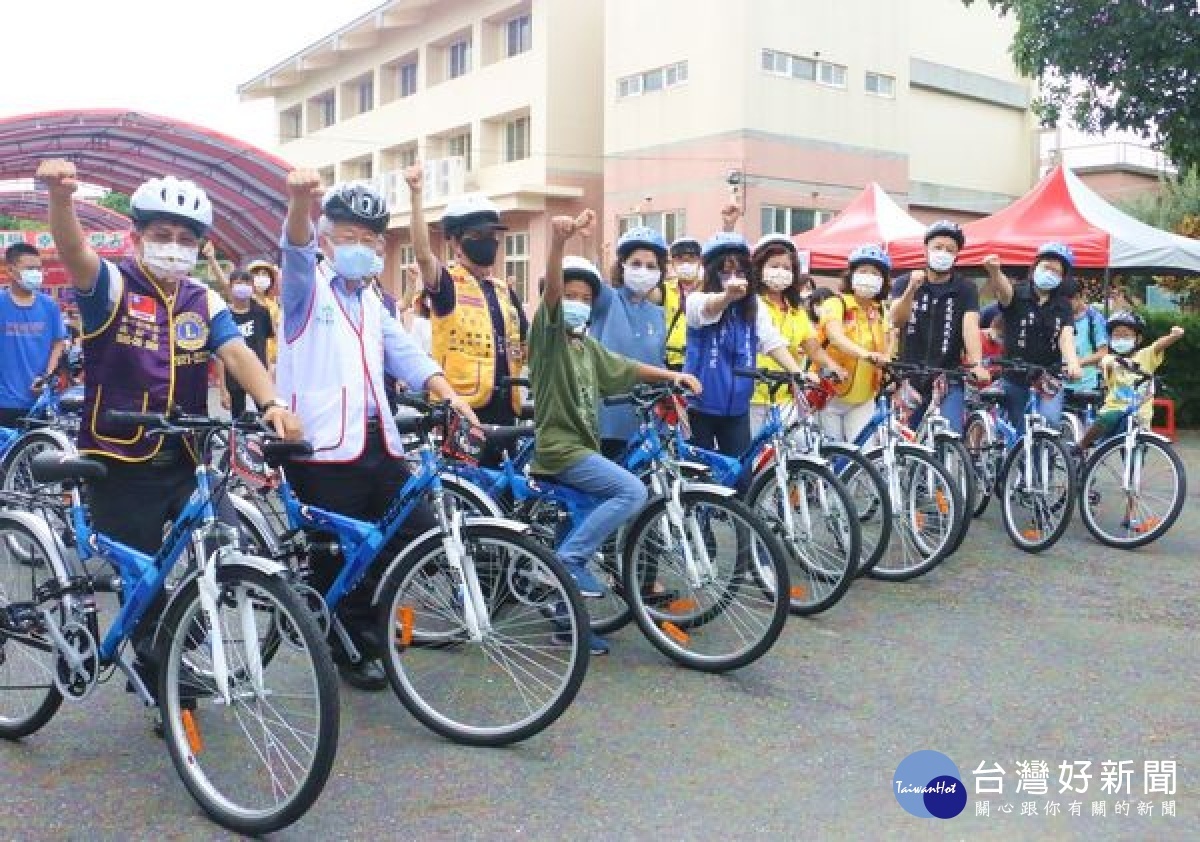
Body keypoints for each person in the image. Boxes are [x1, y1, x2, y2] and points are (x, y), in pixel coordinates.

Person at [35, 158, 300, 701]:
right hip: (119, 461)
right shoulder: (110, 284)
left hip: (185, 459)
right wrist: (61, 199)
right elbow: (73, 251)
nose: (173, 246)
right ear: (137, 237)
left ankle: (187, 625)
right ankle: (162, 679)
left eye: (184, 238)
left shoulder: (203, 300)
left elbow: (235, 351)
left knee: (226, 542)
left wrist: (272, 402)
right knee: (143, 581)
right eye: (162, 235)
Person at [277, 170, 478, 691]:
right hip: (322, 448)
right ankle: (346, 644)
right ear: (326, 240)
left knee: (411, 532)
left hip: (378, 442)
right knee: (338, 552)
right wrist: (300, 201)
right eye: (348, 238)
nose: (360, 249)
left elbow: (405, 352)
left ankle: (360, 622)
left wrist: (445, 390)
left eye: (369, 240)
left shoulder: (372, 300)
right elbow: (294, 249)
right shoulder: (306, 290)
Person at [531, 209, 700, 654]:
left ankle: (568, 616)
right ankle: (568, 563)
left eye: (586, 298)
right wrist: (558, 244)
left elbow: (628, 368)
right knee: (630, 493)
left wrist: (672, 378)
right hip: (560, 449)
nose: (578, 303)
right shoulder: (548, 341)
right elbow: (550, 295)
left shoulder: (587, 347)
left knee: (588, 519)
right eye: (570, 295)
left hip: (583, 451)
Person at [408, 166, 528, 426]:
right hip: (462, 411)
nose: (489, 242)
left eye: (492, 235)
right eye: (478, 235)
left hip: (506, 410)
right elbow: (423, 255)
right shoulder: (448, 284)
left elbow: (527, 346)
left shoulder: (504, 291)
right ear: (454, 241)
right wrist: (416, 196)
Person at [684, 232, 807, 458]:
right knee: (702, 477)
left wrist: (798, 372)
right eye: (726, 272)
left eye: (740, 272)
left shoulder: (753, 305)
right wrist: (727, 296)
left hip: (738, 409)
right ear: (712, 273)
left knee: (742, 479)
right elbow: (709, 308)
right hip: (700, 406)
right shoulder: (696, 299)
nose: (734, 278)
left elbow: (771, 341)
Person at [888, 219, 990, 433]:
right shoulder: (905, 281)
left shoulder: (966, 288)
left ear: (956, 255)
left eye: (950, 249)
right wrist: (911, 290)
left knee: (950, 433)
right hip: (908, 375)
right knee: (906, 438)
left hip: (948, 374)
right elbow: (896, 320)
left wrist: (977, 363)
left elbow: (970, 326)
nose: (943, 253)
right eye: (938, 247)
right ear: (926, 249)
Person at [983, 243, 1083, 433]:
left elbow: (1066, 335)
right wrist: (995, 272)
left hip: (1049, 376)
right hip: (1015, 375)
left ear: (1062, 278)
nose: (1050, 273)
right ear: (1035, 267)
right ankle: (1014, 461)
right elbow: (1004, 293)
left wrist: (1072, 362)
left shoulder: (1063, 305)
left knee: (1049, 423)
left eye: (1056, 271)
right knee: (1018, 431)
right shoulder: (1018, 293)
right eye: (1046, 267)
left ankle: (1043, 462)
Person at [748, 234, 844, 429]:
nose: (780, 272)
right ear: (759, 269)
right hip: (752, 396)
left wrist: (834, 366)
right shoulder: (750, 303)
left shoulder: (795, 309)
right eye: (774, 266)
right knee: (759, 457)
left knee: (798, 449)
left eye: (786, 268)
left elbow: (813, 348)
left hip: (787, 394)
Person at [591, 226, 669, 456]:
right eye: (636, 264)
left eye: (651, 266)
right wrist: (589, 241)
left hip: (646, 417)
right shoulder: (608, 300)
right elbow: (593, 282)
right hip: (608, 417)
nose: (643, 270)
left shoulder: (657, 313)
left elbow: (657, 361)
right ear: (622, 265)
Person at [817, 244, 893, 444]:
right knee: (832, 455)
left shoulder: (881, 312)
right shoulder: (835, 304)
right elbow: (835, 337)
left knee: (863, 455)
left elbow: (888, 345)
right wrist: (865, 354)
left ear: (883, 281)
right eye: (863, 271)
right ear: (851, 276)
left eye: (875, 273)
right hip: (830, 395)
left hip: (864, 397)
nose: (868, 276)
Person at [1079, 313, 1184, 452]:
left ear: (1138, 338)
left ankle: (1131, 473)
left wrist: (1173, 336)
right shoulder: (1109, 359)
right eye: (1116, 335)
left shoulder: (1145, 356)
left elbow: (1159, 345)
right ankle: (1080, 446)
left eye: (1126, 335)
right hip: (1114, 411)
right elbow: (1103, 362)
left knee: (1135, 454)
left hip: (1140, 416)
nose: (1121, 339)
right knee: (1108, 418)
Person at [0, 243, 66, 428]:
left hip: (40, 403)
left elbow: (58, 343)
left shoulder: (49, 306)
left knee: (37, 454)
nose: (36, 273)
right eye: (30, 268)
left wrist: (47, 377)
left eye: (38, 268)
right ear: (11, 271)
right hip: (4, 403)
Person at [217, 269, 275, 418]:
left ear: (252, 287)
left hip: (259, 374)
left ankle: (268, 442)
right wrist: (223, 389)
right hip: (234, 376)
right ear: (230, 287)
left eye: (247, 283)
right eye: (238, 283)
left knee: (268, 415)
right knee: (238, 421)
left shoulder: (262, 313)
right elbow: (220, 356)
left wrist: (269, 373)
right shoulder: (225, 316)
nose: (243, 286)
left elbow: (266, 345)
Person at [663, 236, 702, 370]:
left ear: (700, 261)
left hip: (702, 361)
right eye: (679, 258)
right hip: (671, 363)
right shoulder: (664, 289)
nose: (686, 263)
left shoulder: (709, 290)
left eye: (691, 258)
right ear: (672, 263)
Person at [1067, 284, 1109, 395]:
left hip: (1088, 385)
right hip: (1059, 385)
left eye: (1072, 298)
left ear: (1081, 297)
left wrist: (1076, 363)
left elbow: (1103, 352)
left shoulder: (1094, 318)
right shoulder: (1060, 317)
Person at [245, 258, 282, 367]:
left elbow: (277, 334)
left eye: (264, 274)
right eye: (256, 274)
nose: (261, 277)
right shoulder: (244, 304)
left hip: (272, 361)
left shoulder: (274, 306)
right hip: (250, 360)